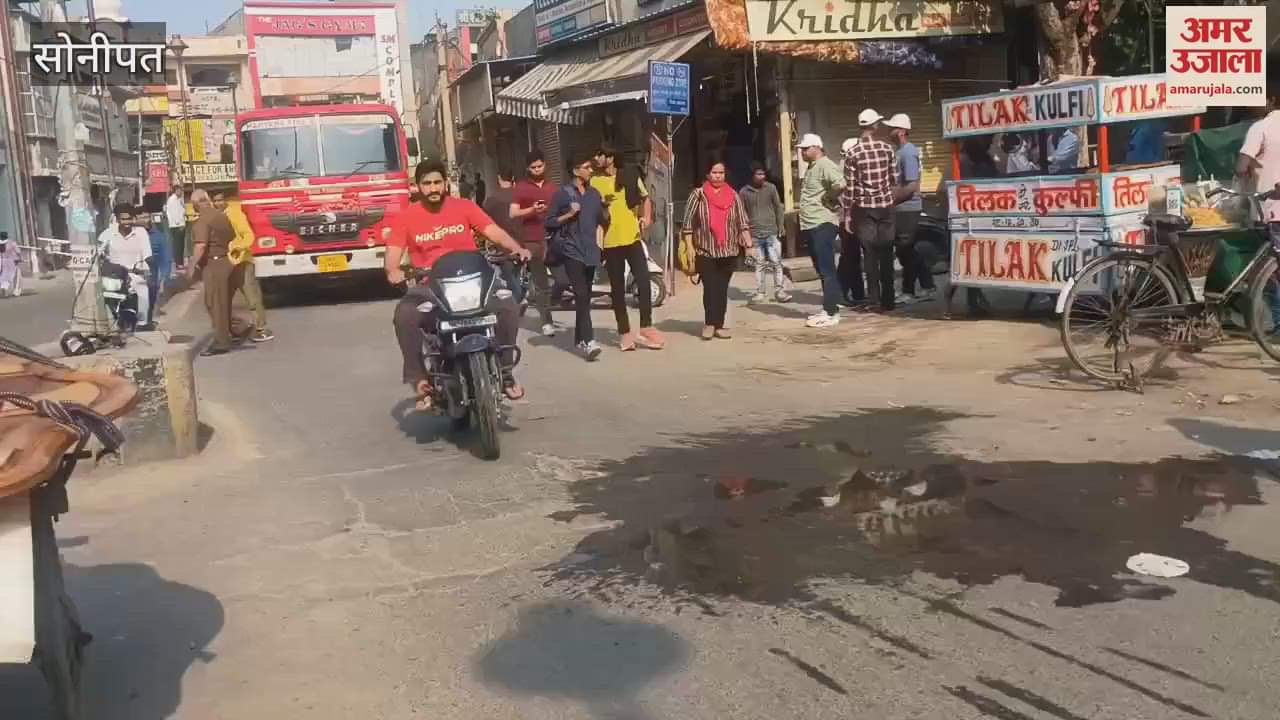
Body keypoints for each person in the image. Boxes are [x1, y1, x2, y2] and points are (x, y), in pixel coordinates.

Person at [387, 159, 531, 408]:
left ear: (445, 184)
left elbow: (492, 231)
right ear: (417, 187)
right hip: (430, 286)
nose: (432, 188)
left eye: (437, 182)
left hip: (474, 280)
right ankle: (420, 379)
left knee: (508, 305)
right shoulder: (406, 217)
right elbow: (393, 252)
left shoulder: (464, 207)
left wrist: (516, 248)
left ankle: (506, 372)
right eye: (426, 184)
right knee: (404, 315)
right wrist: (393, 270)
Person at [591, 148, 664, 351]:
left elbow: (645, 197)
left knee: (643, 281)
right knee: (617, 290)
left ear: (611, 157)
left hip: (632, 238)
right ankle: (624, 332)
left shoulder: (630, 176)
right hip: (610, 242)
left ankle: (646, 327)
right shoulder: (595, 181)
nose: (596, 158)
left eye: (600, 155)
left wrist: (646, 217)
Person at [546, 153, 609, 360]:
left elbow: (603, 221)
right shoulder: (563, 194)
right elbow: (549, 222)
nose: (591, 170)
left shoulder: (594, 194)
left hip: (591, 251)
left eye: (591, 167)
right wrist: (568, 215)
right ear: (575, 171)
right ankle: (588, 341)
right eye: (587, 167)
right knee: (581, 295)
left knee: (585, 297)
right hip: (571, 250)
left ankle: (579, 339)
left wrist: (606, 209)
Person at [681, 160, 754, 340]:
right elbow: (687, 224)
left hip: (729, 251)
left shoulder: (733, 196)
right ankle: (709, 323)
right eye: (714, 173)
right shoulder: (698, 195)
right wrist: (689, 247)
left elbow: (742, 221)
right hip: (705, 250)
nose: (718, 176)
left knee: (722, 289)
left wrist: (749, 246)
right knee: (710, 288)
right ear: (707, 175)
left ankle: (719, 324)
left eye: (721, 173)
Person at [845, 109, 898, 313]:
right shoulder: (887, 148)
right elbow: (894, 179)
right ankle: (889, 299)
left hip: (864, 209)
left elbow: (850, 188)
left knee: (869, 255)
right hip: (885, 206)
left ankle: (874, 299)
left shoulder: (853, 153)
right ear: (875, 126)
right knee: (886, 253)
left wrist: (848, 215)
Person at [796, 134, 847, 328]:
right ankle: (828, 308)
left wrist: (829, 197)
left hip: (822, 223)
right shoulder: (812, 167)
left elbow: (840, 183)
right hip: (811, 224)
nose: (801, 152)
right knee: (821, 269)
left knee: (827, 269)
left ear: (816, 148)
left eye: (805, 149)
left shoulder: (825, 164)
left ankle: (832, 312)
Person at [189, 189, 248, 355]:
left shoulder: (203, 220)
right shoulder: (221, 216)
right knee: (222, 303)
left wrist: (191, 266)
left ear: (196, 204)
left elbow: (200, 245)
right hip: (226, 262)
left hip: (213, 264)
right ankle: (235, 328)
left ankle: (223, 340)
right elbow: (230, 236)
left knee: (215, 304)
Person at [884, 113, 935, 304]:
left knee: (905, 250)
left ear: (902, 131)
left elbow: (912, 185)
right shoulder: (900, 152)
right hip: (902, 208)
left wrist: (892, 200)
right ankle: (927, 286)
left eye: (893, 128)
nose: (889, 131)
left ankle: (909, 290)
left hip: (907, 208)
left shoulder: (907, 152)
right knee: (907, 251)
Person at [213, 190, 274, 342]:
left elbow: (249, 236)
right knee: (223, 298)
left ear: (226, 201)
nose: (218, 203)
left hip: (242, 262)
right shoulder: (214, 218)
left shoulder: (235, 215)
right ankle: (227, 330)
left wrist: (236, 247)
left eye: (220, 200)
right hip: (225, 264)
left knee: (252, 297)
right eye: (215, 201)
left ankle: (262, 329)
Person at [510, 151, 557, 336]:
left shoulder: (552, 187)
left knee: (561, 279)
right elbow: (513, 213)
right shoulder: (521, 187)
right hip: (532, 240)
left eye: (540, 166)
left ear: (545, 165)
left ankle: (534, 299)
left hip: (553, 239)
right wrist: (532, 209)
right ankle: (546, 321)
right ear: (528, 168)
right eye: (533, 167)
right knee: (541, 282)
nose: (537, 170)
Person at [739, 162, 791, 304]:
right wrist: (744, 234)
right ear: (752, 176)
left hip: (771, 232)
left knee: (776, 262)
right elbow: (741, 214)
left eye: (763, 174)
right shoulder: (744, 192)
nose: (761, 177)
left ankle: (779, 291)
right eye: (758, 174)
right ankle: (760, 292)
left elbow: (778, 208)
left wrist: (781, 225)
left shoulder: (771, 188)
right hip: (754, 233)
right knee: (759, 264)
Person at [100, 202, 153, 330]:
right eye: (123, 219)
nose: (127, 222)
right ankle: (112, 324)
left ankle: (142, 325)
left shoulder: (140, 233)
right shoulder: (108, 234)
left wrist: (150, 270)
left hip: (136, 274)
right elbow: (98, 250)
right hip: (115, 275)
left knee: (143, 299)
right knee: (106, 300)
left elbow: (148, 255)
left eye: (129, 218)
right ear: (117, 219)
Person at [483, 168, 525, 304]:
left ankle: (518, 299)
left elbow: (484, 221)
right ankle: (519, 295)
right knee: (515, 272)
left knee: (508, 273)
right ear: (512, 179)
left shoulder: (491, 199)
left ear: (499, 179)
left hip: (501, 243)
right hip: (521, 240)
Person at [836, 137, 865, 308]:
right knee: (849, 257)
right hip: (848, 218)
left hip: (852, 217)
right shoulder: (846, 170)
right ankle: (841, 292)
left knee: (853, 257)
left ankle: (858, 293)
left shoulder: (849, 167)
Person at [135, 209, 167, 326]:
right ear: (136, 219)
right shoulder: (131, 234)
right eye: (142, 217)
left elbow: (165, 258)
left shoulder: (158, 236)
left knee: (150, 299)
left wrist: (163, 279)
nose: (146, 220)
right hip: (133, 273)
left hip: (151, 274)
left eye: (148, 217)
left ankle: (147, 322)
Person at [166, 186, 188, 270]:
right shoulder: (172, 200)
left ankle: (180, 262)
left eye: (181, 190)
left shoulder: (179, 199)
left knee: (181, 245)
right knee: (177, 245)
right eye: (179, 190)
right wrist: (179, 223)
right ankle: (178, 263)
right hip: (176, 226)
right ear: (175, 191)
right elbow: (173, 213)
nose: (180, 192)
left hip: (182, 224)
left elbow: (182, 211)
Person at [0, 233, 21, 298]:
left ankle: (4, 290)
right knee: (12, 276)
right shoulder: (12, 243)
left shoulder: (1, 244)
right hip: (12, 261)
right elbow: (18, 252)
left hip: (3, 261)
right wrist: (20, 258)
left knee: (4, 275)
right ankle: (15, 291)